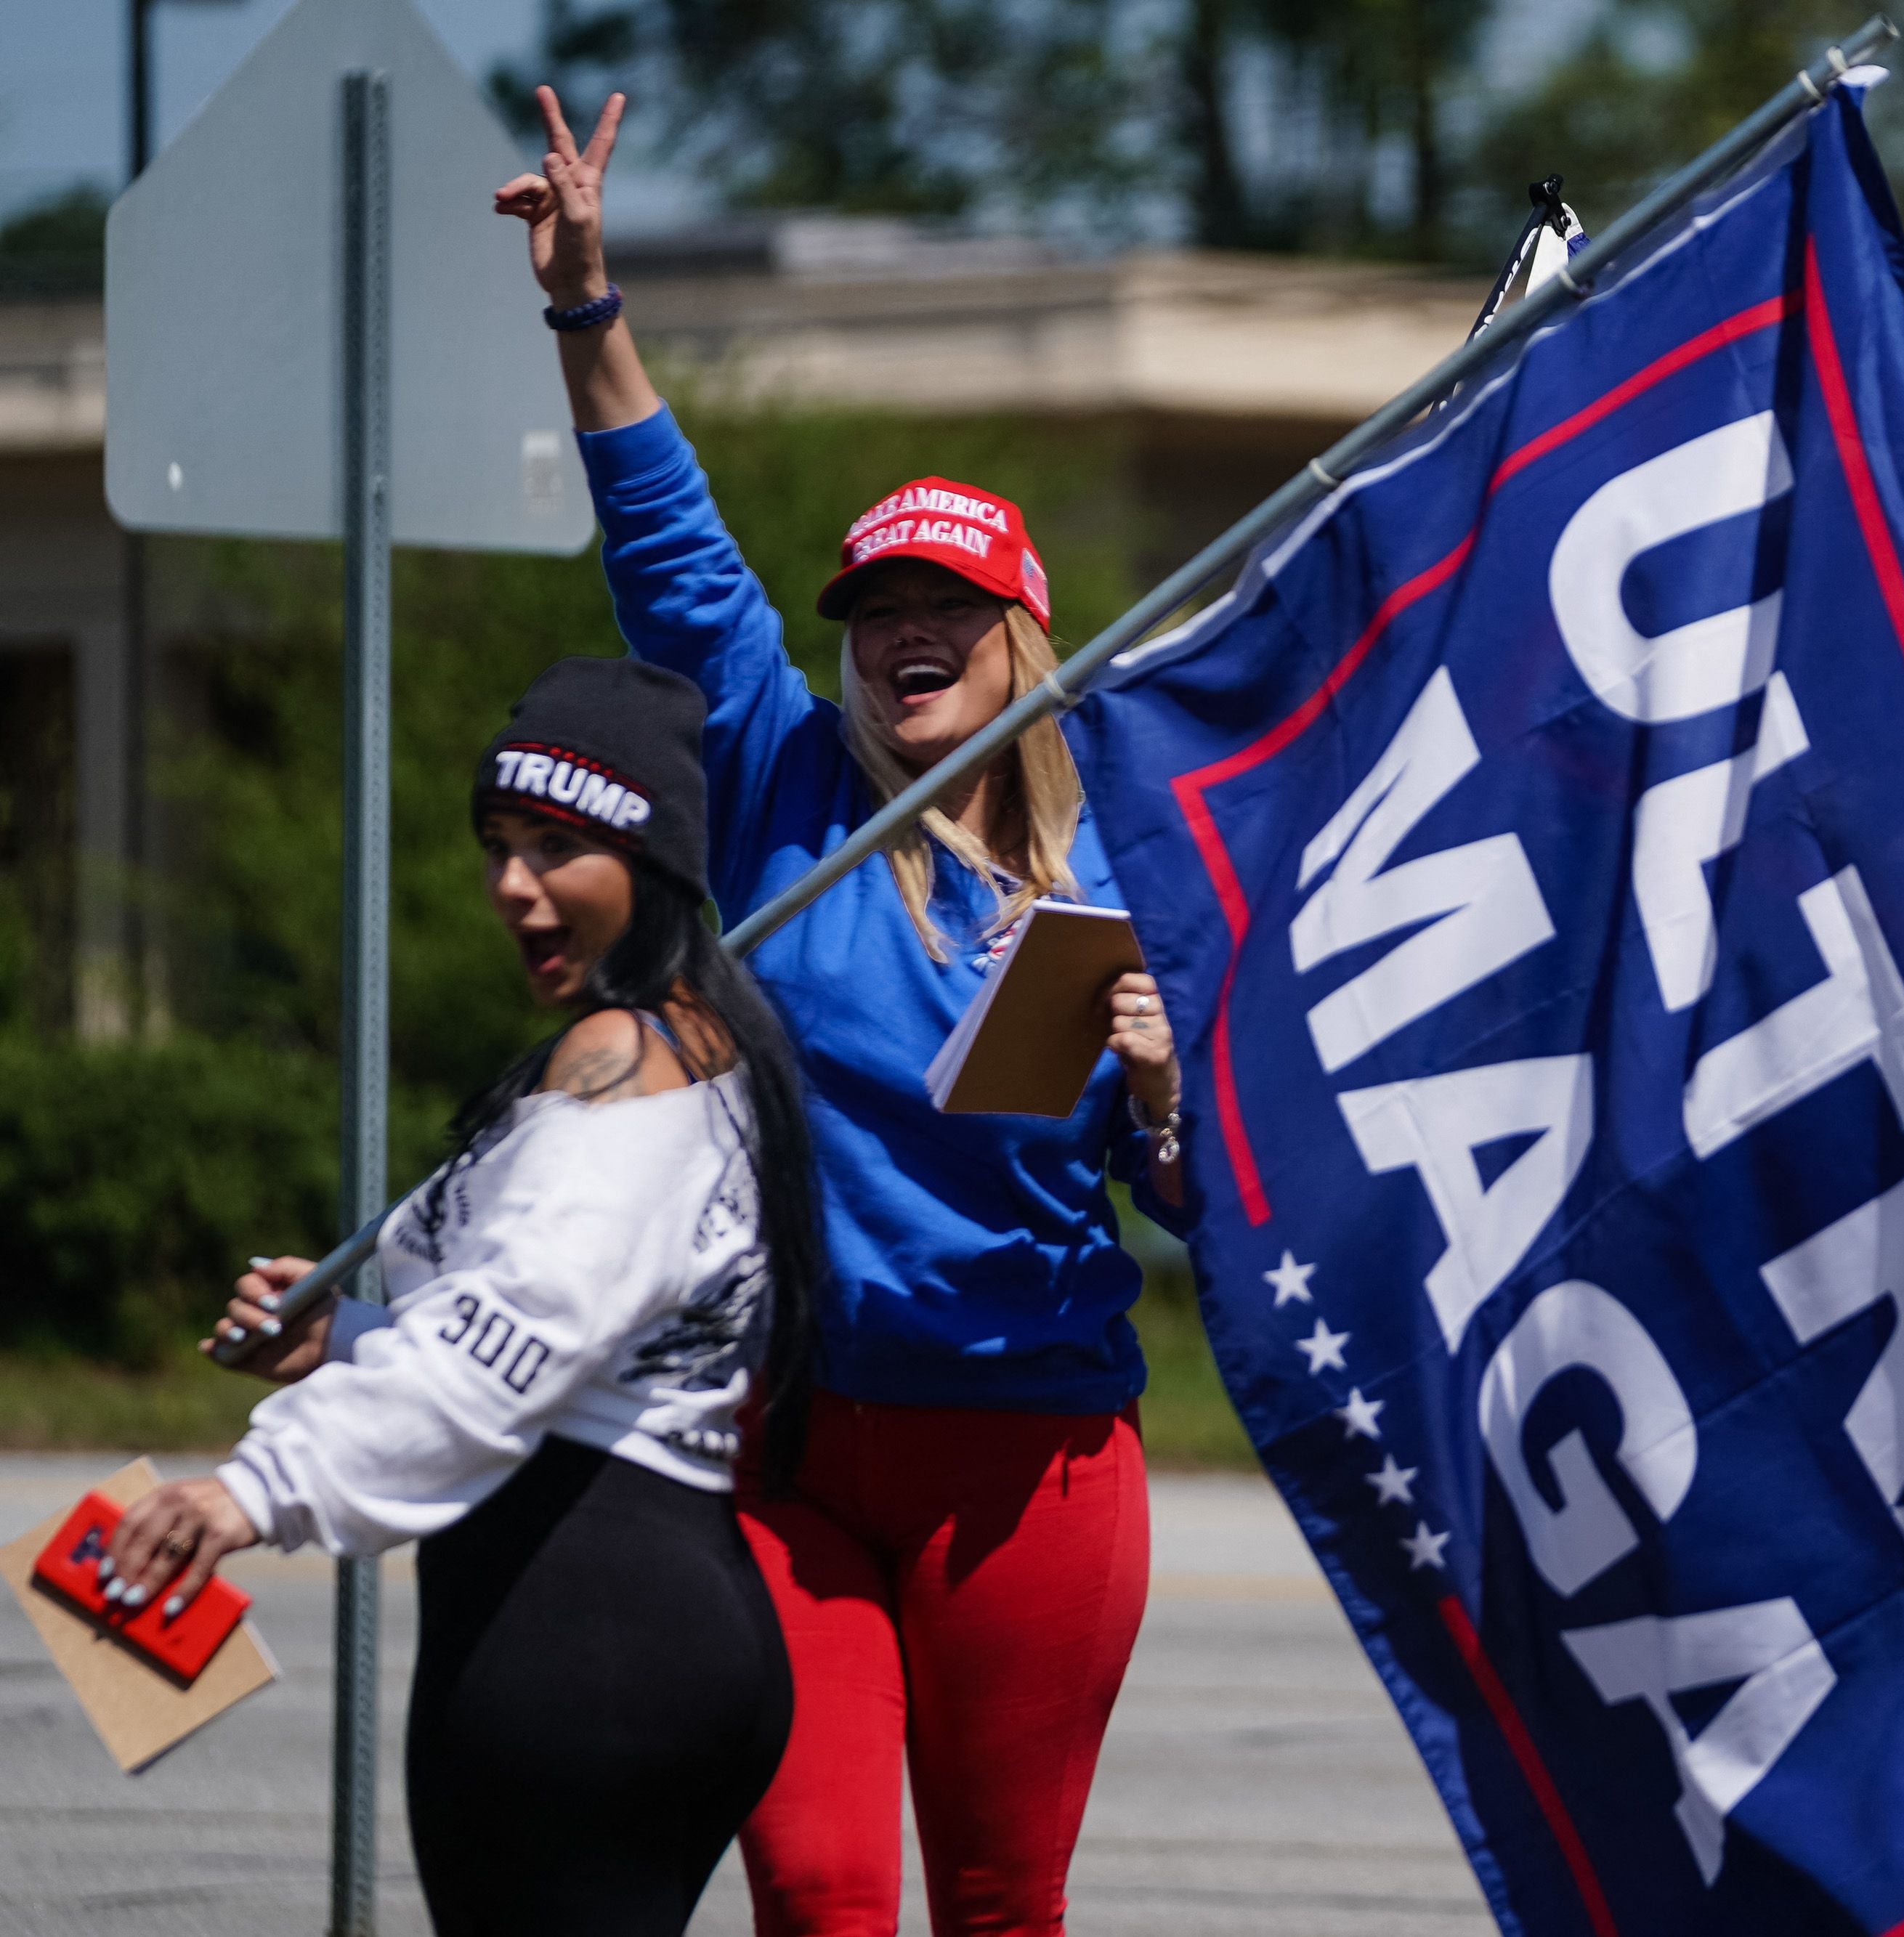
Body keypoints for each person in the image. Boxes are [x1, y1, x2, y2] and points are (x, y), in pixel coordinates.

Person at [495, 89, 1192, 1937]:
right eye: (875, 601)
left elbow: (1199, 1199)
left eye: (946, 601)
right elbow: (672, 546)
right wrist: (588, 302)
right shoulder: (780, 772)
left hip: (1030, 1453)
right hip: (790, 1435)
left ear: (1019, 629)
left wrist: (1164, 1095)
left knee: (996, 1900)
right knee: (813, 1891)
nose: (905, 627)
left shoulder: (1120, 855)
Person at [103, 657, 818, 1937]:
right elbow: (575, 1335)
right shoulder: (697, 1041)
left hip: (582, 1642)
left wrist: (251, 1491)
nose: (512, 886)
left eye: (557, 846)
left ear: (651, 860)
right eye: (499, 845)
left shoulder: (620, 1067)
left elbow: (503, 1353)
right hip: (651, 1620)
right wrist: (352, 1337)